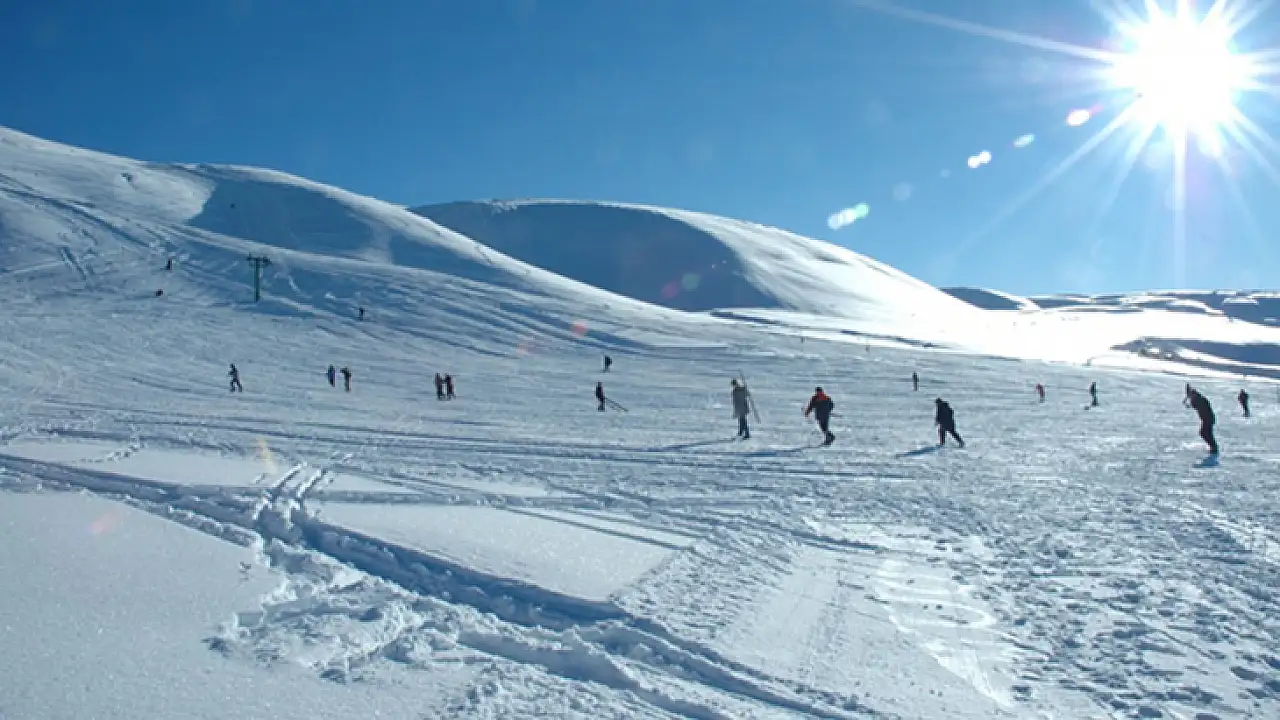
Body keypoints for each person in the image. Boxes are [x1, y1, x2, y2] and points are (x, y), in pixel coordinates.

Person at [1187, 387, 1219, 455]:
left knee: (1204, 433)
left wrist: (1189, 400)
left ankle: (1214, 448)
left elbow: (1195, 405)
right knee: (1205, 433)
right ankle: (1213, 447)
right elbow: (1193, 405)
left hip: (1208, 419)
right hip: (1206, 419)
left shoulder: (1200, 399)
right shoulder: (1198, 399)